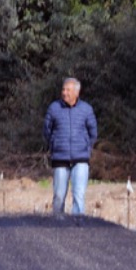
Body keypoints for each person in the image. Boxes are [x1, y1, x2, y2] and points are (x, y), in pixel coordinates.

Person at [44, 76, 98, 218]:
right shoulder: (54, 108)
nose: (64, 93)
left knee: (79, 194)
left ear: (76, 93)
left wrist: (86, 148)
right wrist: (54, 145)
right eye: (63, 89)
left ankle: (78, 225)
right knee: (59, 196)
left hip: (81, 159)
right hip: (60, 158)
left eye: (68, 90)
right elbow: (47, 130)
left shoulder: (86, 109)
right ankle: (57, 223)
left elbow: (93, 132)